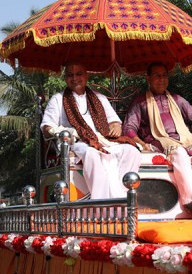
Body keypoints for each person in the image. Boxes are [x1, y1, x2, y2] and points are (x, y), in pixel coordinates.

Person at [123, 62, 192, 219]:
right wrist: (142, 143)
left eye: (164, 75)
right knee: (179, 154)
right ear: (148, 78)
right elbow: (129, 128)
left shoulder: (177, 99)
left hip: (186, 139)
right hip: (159, 141)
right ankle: (190, 207)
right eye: (157, 76)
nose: (161, 79)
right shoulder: (140, 102)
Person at [41, 63, 141, 199]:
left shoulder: (98, 97)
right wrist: (66, 131)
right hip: (76, 142)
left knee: (131, 152)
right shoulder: (58, 99)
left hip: (103, 140)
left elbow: (114, 121)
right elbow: (47, 127)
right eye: (70, 75)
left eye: (79, 74)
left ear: (86, 76)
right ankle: (100, 202)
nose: (75, 78)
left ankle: (121, 196)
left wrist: (116, 127)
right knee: (92, 154)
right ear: (65, 78)